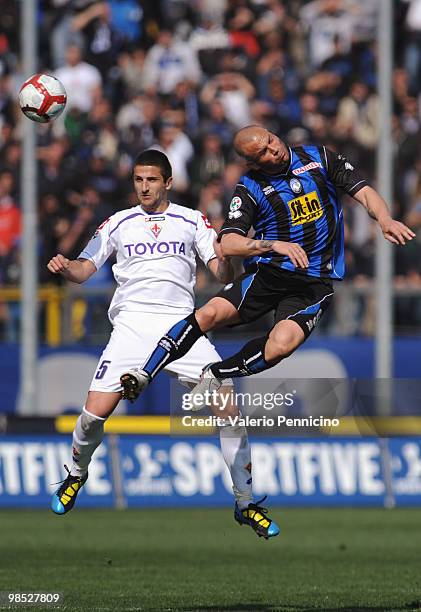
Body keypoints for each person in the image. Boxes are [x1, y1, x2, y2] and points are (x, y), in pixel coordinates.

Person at [47, 149, 280, 540]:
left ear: (168, 182)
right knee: (93, 415)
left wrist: (232, 252)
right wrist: (65, 266)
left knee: (228, 407)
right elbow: (84, 269)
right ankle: (75, 473)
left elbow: (219, 270)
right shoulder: (118, 223)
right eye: (138, 180)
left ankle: (246, 502)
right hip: (132, 328)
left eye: (151, 180)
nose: (144, 187)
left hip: (182, 328)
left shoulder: (192, 220)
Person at [120, 125, 415, 406]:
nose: (273, 150)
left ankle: (216, 374)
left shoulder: (319, 157)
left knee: (281, 345)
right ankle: (145, 373)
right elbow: (229, 243)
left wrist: (384, 219)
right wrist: (272, 245)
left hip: (313, 283)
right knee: (209, 313)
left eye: (271, 141)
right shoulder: (250, 187)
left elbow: (363, 190)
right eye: (262, 153)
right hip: (269, 274)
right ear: (252, 163)